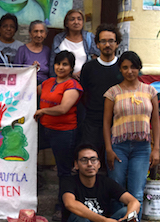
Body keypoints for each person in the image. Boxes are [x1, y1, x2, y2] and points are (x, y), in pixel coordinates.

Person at [103, 51, 160, 222]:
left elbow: (155, 121)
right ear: (120, 69)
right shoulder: (113, 92)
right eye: (125, 67)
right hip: (118, 147)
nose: (130, 71)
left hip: (142, 149)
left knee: (136, 193)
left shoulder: (150, 91)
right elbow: (106, 123)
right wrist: (108, 148)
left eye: (133, 67)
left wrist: (156, 149)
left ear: (139, 68)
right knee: (117, 191)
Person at [34, 50, 83, 180]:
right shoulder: (48, 82)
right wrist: (31, 73)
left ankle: (65, 199)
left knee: (63, 170)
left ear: (71, 68)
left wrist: (43, 111)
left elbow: (63, 109)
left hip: (63, 132)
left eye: (65, 64)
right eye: (58, 64)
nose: (60, 67)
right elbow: (28, 92)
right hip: (45, 129)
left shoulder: (72, 85)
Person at [79, 24, 122, 163]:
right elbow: (84, 95)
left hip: (119, 123)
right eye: (103, 41)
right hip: (93, 122)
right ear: (97, 44)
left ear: (117, 44)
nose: (107, 45)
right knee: (91, 163)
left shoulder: (124, 67)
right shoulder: (89, 67)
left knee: (114, 165)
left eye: (111, 41)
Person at [50, 9, 100, 78]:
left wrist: (82, 72)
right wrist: (70, 74)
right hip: (63, 80)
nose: (76, 22)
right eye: (72, 19)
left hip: (85, 79)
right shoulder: (58, 39)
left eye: (79, 19)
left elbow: (96, 59)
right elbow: (53, 61)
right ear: (66, 23)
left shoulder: (89, 37)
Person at [15, 20, 51, 84]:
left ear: (46, 34)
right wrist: (31, 69)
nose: (39, 35)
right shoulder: (22, 50)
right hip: (25, 85)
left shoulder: (47, 50)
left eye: (41, 31)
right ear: (30, 33)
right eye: (35, 31)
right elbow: (16, 73)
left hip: (44, 87)